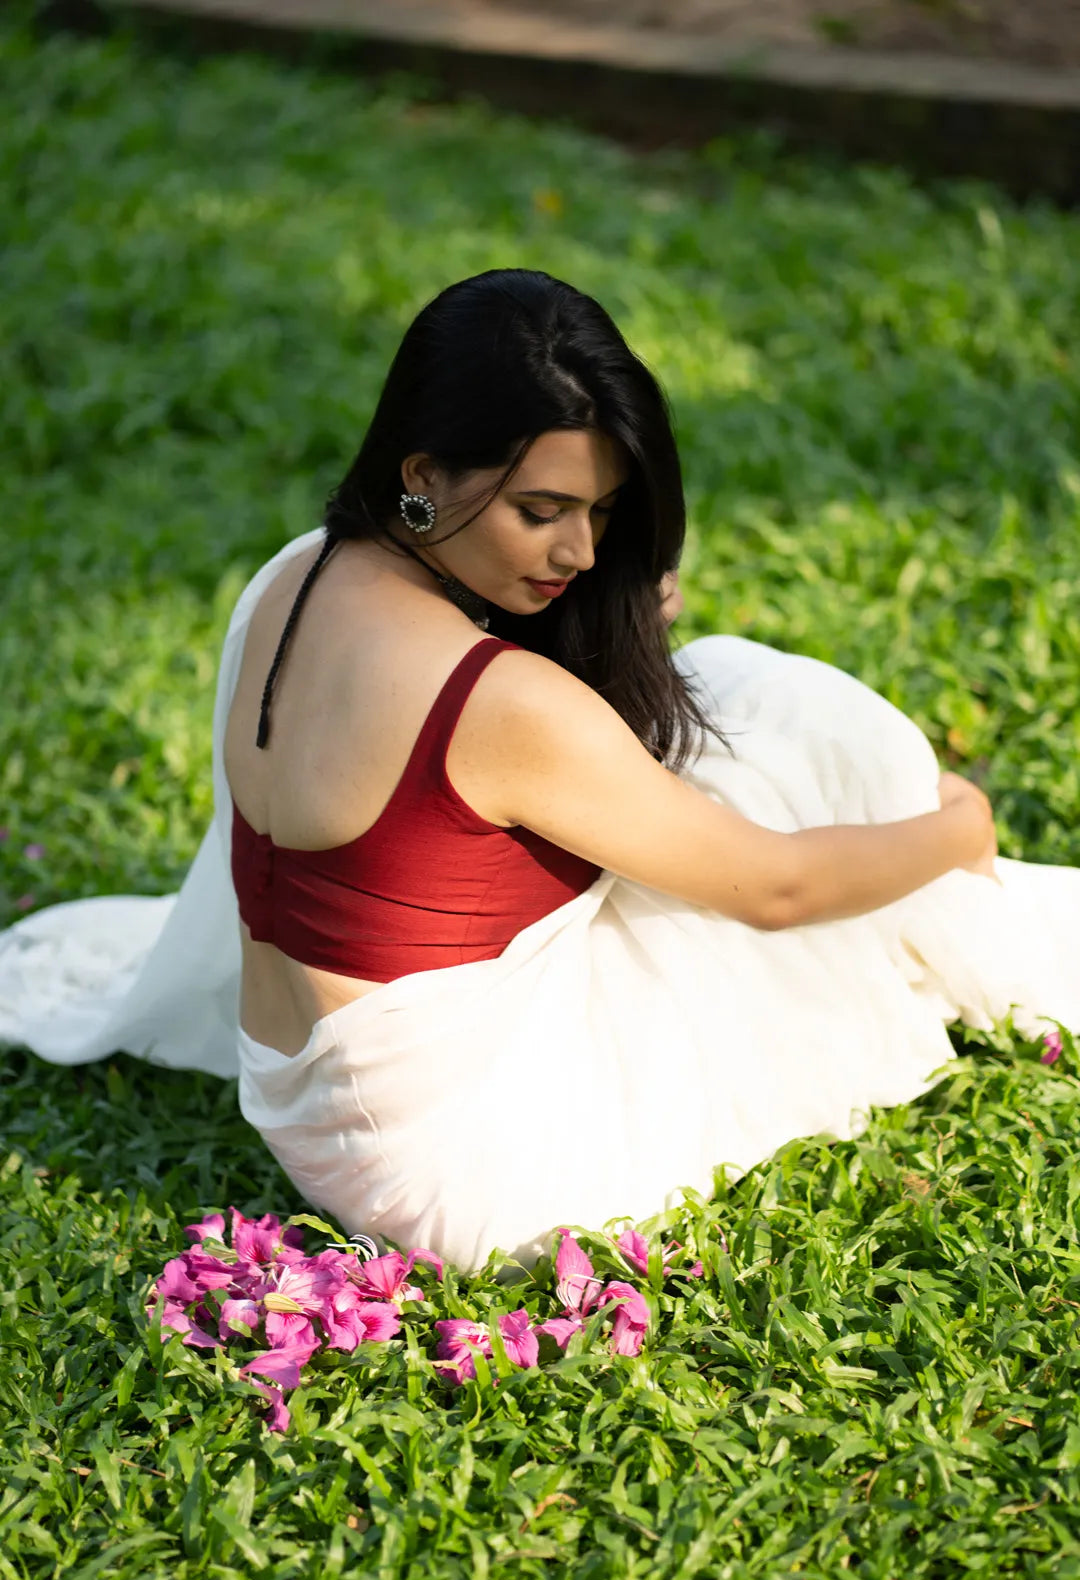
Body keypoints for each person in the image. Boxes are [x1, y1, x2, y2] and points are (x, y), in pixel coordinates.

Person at [2, 268, 1079, 1273]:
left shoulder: (294, 575)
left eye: (601, 514)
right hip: (472, 1168)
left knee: (736, 708)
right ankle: (971, 894)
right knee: (785, 723)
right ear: (425, 474)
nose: (580, 554)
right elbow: (779, 888)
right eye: (541, 511)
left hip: (297, 1098)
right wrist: (956, 830)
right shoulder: (503, 707)